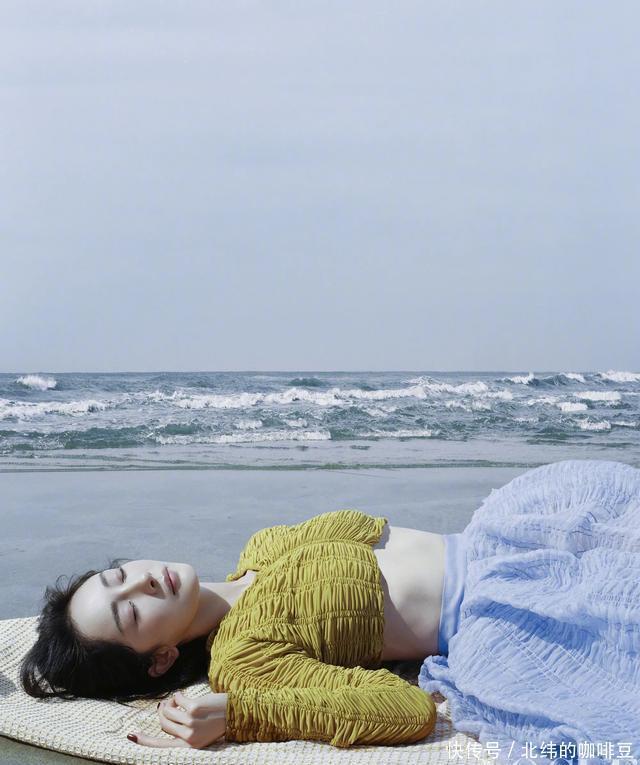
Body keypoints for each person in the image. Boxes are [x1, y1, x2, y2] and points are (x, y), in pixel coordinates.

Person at [19, 459, 640, 760]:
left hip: (508, 536)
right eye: (128, 613)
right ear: (159, 660)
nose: (141, 584)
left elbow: (374, 532)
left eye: (119, 576)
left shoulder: (261, 548)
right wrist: (243, 714)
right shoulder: (244, 662)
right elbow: (407, 710)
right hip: (503, 616)